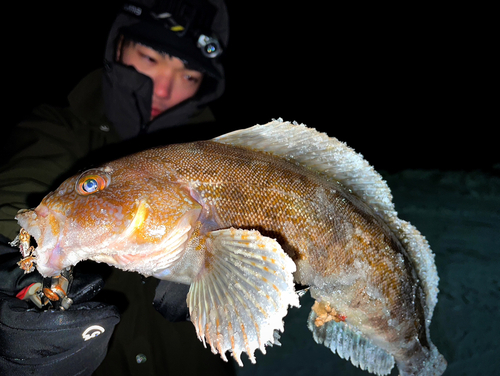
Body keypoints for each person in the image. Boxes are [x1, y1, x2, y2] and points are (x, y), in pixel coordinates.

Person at [0, 1, 236, 375]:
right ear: (118, 45)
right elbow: (17, 196)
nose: (164, 88)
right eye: (150, 58)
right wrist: (14, 275)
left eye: (189, 76)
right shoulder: (56, 128)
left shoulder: (227, 159)